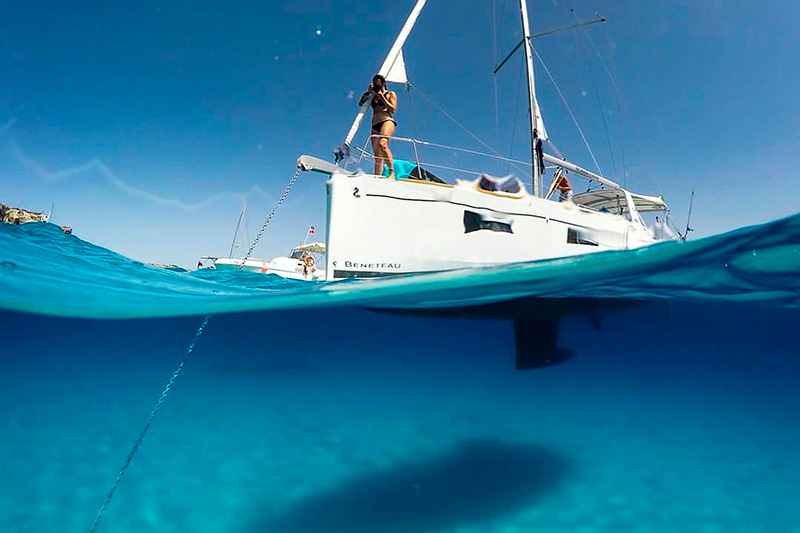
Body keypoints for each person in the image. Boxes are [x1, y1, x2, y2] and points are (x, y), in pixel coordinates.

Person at [358, 74, 397, 179]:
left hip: (386, 121)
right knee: (377, 155)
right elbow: (360, 103)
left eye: (378, 81)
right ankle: (377, 177)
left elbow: (393, 109)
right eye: (374, 81)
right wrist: (369, 92)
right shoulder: (372, 96)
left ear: (384, 83)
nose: (376, 83)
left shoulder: (390, 94)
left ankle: (392, 172)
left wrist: (382, 96)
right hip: (375, 125)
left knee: (383, 144)